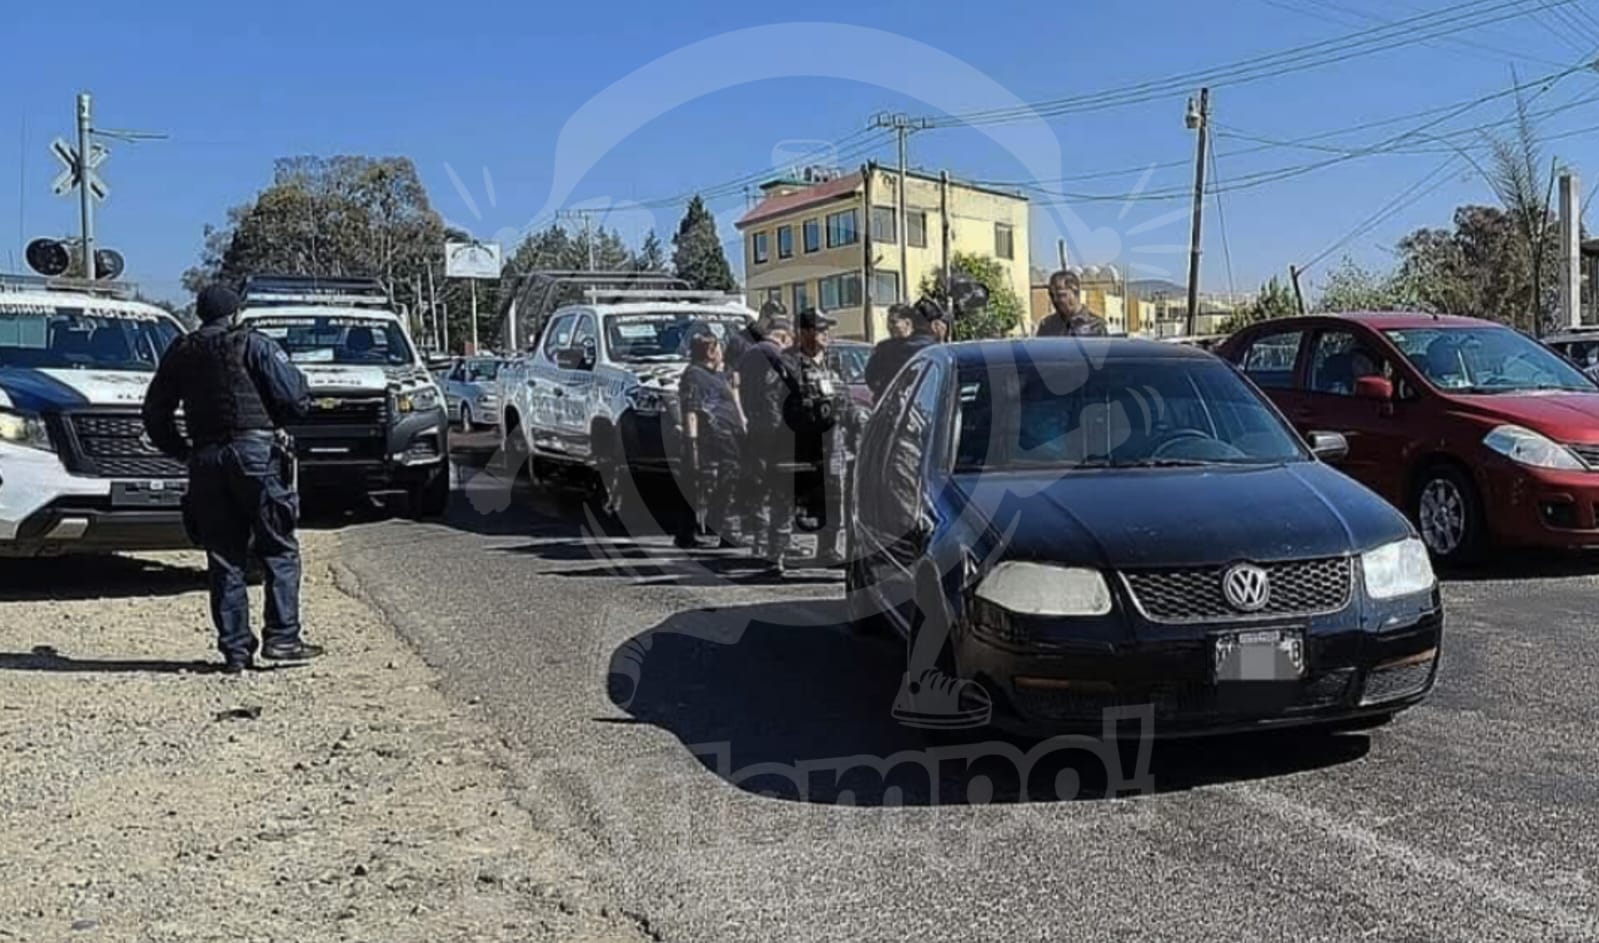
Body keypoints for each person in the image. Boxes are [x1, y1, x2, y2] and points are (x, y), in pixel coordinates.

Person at [142, 285, 320, 674]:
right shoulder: (254, 344)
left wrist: (184, 452)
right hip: (255, 456)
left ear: (200, 314)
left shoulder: (181, 350)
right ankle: (283, 639)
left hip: (206, 459)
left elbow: (155, 412)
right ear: (236, 313)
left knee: (224, 556)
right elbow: (294, 399)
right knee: (278, 549)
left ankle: (236, 651)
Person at [784, 307, 858, 567]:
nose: (826, 334)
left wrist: (855, 427)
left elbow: (845, 399)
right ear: (804, 332)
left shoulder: (834, 361)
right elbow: (777, 403)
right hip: (802, 444)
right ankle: (782, 549)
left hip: (834, 442)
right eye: (820, 328)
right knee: (800, 499)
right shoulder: (789, 363)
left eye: (828, 329)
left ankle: (827, 549)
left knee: (835, 496)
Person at [736, 315, 797, 572]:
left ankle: (760, 541)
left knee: (758, 482)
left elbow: (737, 385)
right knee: (780, 485)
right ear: (783, 336)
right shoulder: (776, 355)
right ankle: (775, 542)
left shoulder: (748, 354)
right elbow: (791, 386)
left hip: (754, 423)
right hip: (774, 427)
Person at [675, 332, 745, 550]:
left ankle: (720, 528)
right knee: (706, 485)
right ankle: (695, 533)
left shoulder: (719, 373)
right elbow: (691, 411)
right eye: (718, 348)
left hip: (729, 436)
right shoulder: (694, 376)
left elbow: (733, 400)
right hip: (710, 439)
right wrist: (692, 444)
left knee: (729, 482)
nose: (721, 352)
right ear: (710, 351)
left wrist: (742, 423)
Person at [864, 302, 940, 402]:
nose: (889, 327)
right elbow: (871, 377)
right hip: (892, 404)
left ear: (908, 323)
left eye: (894, 322)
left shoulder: (924, 347)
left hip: (919, 404)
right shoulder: (885, 348)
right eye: (888, 322)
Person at [1035, 269, 1109, 337]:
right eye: (1052, 295)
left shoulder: (1096, 326)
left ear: (1075, 292)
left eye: (1061, 295)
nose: (1055, 300)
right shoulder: (1047, 325)